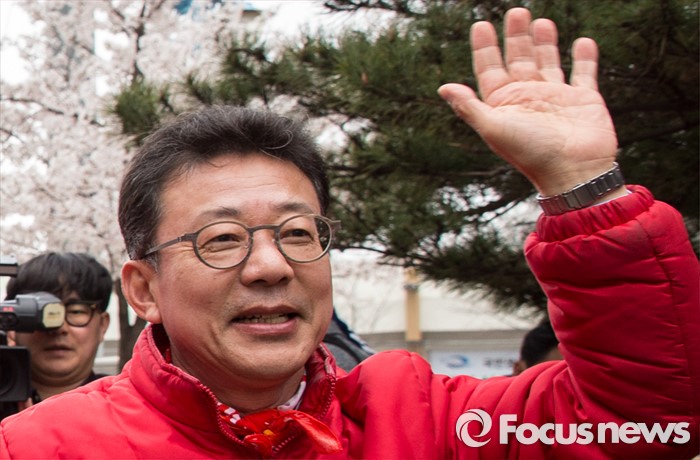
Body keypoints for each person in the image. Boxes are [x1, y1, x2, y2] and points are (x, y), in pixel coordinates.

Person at [1, 7, 698, 459]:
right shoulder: (41, 447)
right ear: (143, 289)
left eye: (298, 233)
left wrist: (583, 186)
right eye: (222, 240)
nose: (270, 265)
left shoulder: (426, 421)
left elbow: (642, 423)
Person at [0, 252, 112, 421]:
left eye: (76, 311)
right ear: (11, 325)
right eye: (44, 313)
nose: (59, 328)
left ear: (103, 325)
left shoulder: (126, 406)